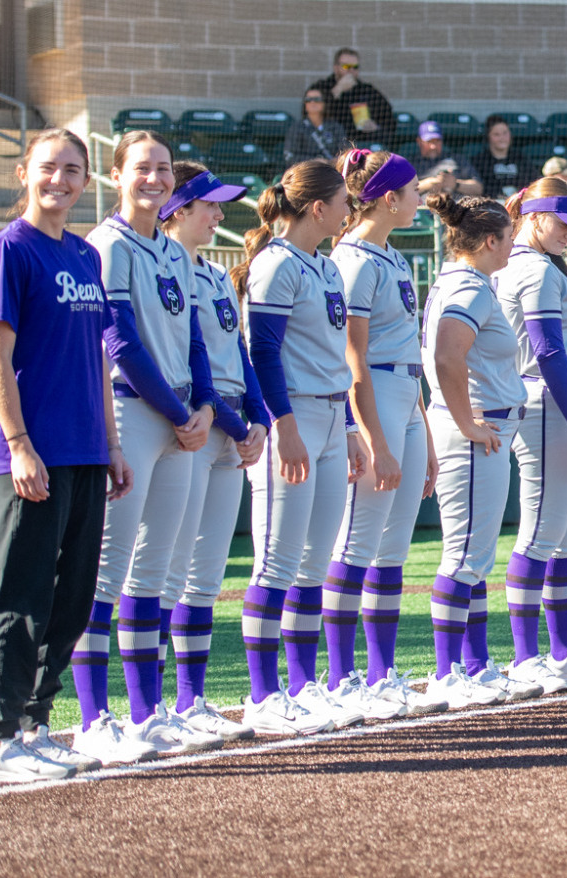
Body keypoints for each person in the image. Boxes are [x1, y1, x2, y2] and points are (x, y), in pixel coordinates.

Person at [0, 129, 132, 785]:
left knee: (73, 599)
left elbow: (96, 356)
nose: (59, 180)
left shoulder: (84, 255)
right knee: (21, 597)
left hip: (86, 452)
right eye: (48, 167)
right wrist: (18, 444)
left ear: (86, 180)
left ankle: (36, 726)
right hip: (32, 454)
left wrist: (112, 443)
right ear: (23, 173)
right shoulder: (9, 250)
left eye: (72, 170)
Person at [67, 130, 224, 764]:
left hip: (179, 421)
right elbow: (119, 341)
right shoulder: (109, 244)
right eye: (141, 167)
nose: (154, 178)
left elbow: (194, 342)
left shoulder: (173, 251)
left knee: (156, 574)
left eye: (162, 168)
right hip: (131, 414)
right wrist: (183, 412)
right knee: (104, 574)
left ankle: (145, 714)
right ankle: (91, 719)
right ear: (116, 175)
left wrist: (204, 406)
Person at [230, 159, 365, 735]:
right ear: (317, 207)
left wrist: (351, 428)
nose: (348, 211)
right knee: (277, 561)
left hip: (331, 415)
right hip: (294, 416)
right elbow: (261, 352)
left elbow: (334, 355)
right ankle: (263, 695)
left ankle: (305, 687)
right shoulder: (276, 263)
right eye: (343, 202)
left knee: (313, 564)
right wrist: (281, 424)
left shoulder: (326, 265)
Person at [155, 160, 268, 742]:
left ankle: (191, 699)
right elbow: (188, 359)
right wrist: (234, 422)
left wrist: (259, 418)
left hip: (230, 426)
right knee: (168, 571)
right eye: (209, 205)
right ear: (177, 210)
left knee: (205, 577)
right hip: (195, 426)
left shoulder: (217, 273)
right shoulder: (165, 268)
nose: (219, 214)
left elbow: (239, 353)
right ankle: (152, 708)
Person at [328, 151, 443, 718]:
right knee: (356, 542)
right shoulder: (352, 259)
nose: (420, 198)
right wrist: (374, 437)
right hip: (374, 395)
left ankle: (380, 673)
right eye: (413, 190)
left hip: (405, 395)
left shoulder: (391, 255)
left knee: (393, 548)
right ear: (389, 198)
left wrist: (422, 430)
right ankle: (339, 676)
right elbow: (353, 358)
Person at [420, 192, 537, 708]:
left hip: (479, 427)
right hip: (473, 431)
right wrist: (467, 422)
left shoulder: (466, 281)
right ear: (490, 241)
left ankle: (475, 665)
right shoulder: (469, 286)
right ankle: (449, 673)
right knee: (465, 556)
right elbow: (448, 357)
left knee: (474, 555)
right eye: (509, 237)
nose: (513, 244)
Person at [499, 175, 567, 693]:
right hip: (548, 402)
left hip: (556, 398)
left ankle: (563, 654)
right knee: (543, 533)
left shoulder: (540, 265)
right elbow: (548, 353)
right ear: (536, 217)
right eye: (563, 223)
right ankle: (527, 657)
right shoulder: (535, 270)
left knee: (565, 539)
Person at [307, 48, 393, 141]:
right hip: (329, 140)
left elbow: (388, 117)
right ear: (336, 68)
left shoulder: (367, 90)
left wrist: (376, 127)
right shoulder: (321, 87)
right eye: (346, 66)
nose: (351, 70)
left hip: (360, 141)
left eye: (355, 67)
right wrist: (338, 89)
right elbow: (309, 113)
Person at [412, 121, 482, 195]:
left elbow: (479, 189)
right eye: (429, 141)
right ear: (419, 141)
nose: (433, 146)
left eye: (437, 141)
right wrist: (425, 185)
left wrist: (456, 184)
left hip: (455, 201)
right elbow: (403, 191)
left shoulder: (457, 160)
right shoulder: (410, 163)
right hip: (423, 202)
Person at [476, 116, 538, 195]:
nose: (502, 138)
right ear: (488, 137)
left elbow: (533, 181)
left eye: (505, 133)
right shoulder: (481, 161)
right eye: (496, 134)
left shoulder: (521, 158)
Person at [283, 86, 345, 167]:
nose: (312, 102)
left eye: (317, 99)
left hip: (332, 170)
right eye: (308, 100)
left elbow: (344, 151)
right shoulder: (297, 128)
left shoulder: (335, 127)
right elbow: (289, 156)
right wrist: (313, 161)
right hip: (306, 171)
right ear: (305, 105)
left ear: (324, 103)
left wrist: (334, 161)